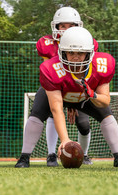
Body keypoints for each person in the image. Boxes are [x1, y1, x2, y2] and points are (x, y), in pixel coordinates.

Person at [15, 27, 118, 168]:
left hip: (85, 97)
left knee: (107, 116)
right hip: (59, 95)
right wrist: (65, 140)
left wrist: (92, 94)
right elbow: (56, 109)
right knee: (36, 114)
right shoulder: (51, 68)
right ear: (62, 52)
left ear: (89, 53)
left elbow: (105, 101)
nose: (76, 57)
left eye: (81, 53)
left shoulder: (102, 64)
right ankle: (24, 157)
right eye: (71, 52)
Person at [36, 6, 99, 166]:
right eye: (62, 26)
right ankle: (51, 154)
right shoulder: (47, 43)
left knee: (83, 124)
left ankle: (83, 154)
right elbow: (49, 76)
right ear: (55, 27)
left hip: (79, 88)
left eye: (71, 26)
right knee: (52, 113)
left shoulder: (87, 42)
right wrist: (65, 100)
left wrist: (73, 103)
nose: (66, 30)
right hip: (55, 88)